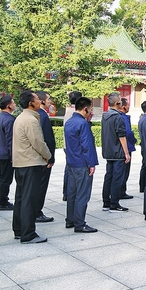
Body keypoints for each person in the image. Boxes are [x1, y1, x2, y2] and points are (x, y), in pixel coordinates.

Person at [12, 90, 52, 244]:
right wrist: (48, 155)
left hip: (22, 162)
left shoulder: (22, 117)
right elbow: (38, 142)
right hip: (30, 163)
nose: (39, 102)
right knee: (29, 199)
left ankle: (19, 229)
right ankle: (28, 234)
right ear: (31, 103)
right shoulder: (30, 119)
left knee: (21, 198)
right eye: (36, 99)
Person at [63, 96, 98, 233]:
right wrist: (91, 164)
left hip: (71, 162)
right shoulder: (82, 124)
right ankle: (79, 223)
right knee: (83, 194)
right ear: (85, 108)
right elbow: (87, 146)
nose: (90, 112)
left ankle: (70, 220)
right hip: (82, 163)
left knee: (72, 193)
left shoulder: (70, 122)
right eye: (90, 109)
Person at [101, 93, 130, 212]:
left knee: (109, 176)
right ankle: (114, 203)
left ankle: (106, 202)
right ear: (117, 103)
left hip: (108, 150)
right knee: (117, 178)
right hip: (117, 152)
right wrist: (126, 153)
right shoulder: (117, 117)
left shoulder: (105, 116)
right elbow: (121, 136)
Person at [35, 91, 56, 223]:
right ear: (42, 101)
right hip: (43, 158)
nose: (49, 102)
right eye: (48, 99)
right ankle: (37, 211)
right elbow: (47, 139)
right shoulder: (42, 115)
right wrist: (50, 157)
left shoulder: (37, 115)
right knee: (41, 186)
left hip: (37, 157)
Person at [0, 95, 15, 211]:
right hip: (6, 154)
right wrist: (13, 155)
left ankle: (0, 199)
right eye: (13, 103)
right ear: (9, 105)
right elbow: (10, 140)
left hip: (1, 152)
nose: (14, 105)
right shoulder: (9, 119)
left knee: (2, 177)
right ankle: (2, 201)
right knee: (6, 178)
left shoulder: (0, 117)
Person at [62, 91, 82, 201]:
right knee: (71, 170)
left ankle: (67, 193)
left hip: (68, 145)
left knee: (69, 169)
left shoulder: (68, 111)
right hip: (73, 146)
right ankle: (69, 192)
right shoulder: (74, 113)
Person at [118, 98, 137, 199]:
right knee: (124, 171)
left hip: (117, 147)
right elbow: (128, 133)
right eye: (128, 105)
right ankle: (121, 191)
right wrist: (133, 140)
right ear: (123, 106)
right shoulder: (123, 118)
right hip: (126, 147)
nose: (128, 107)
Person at [138, 100, 146, 193]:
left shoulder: (142, 118)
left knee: (144, 165)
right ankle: (143, 185)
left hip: (144, 144)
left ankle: (142, 185)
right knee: (145, 166)